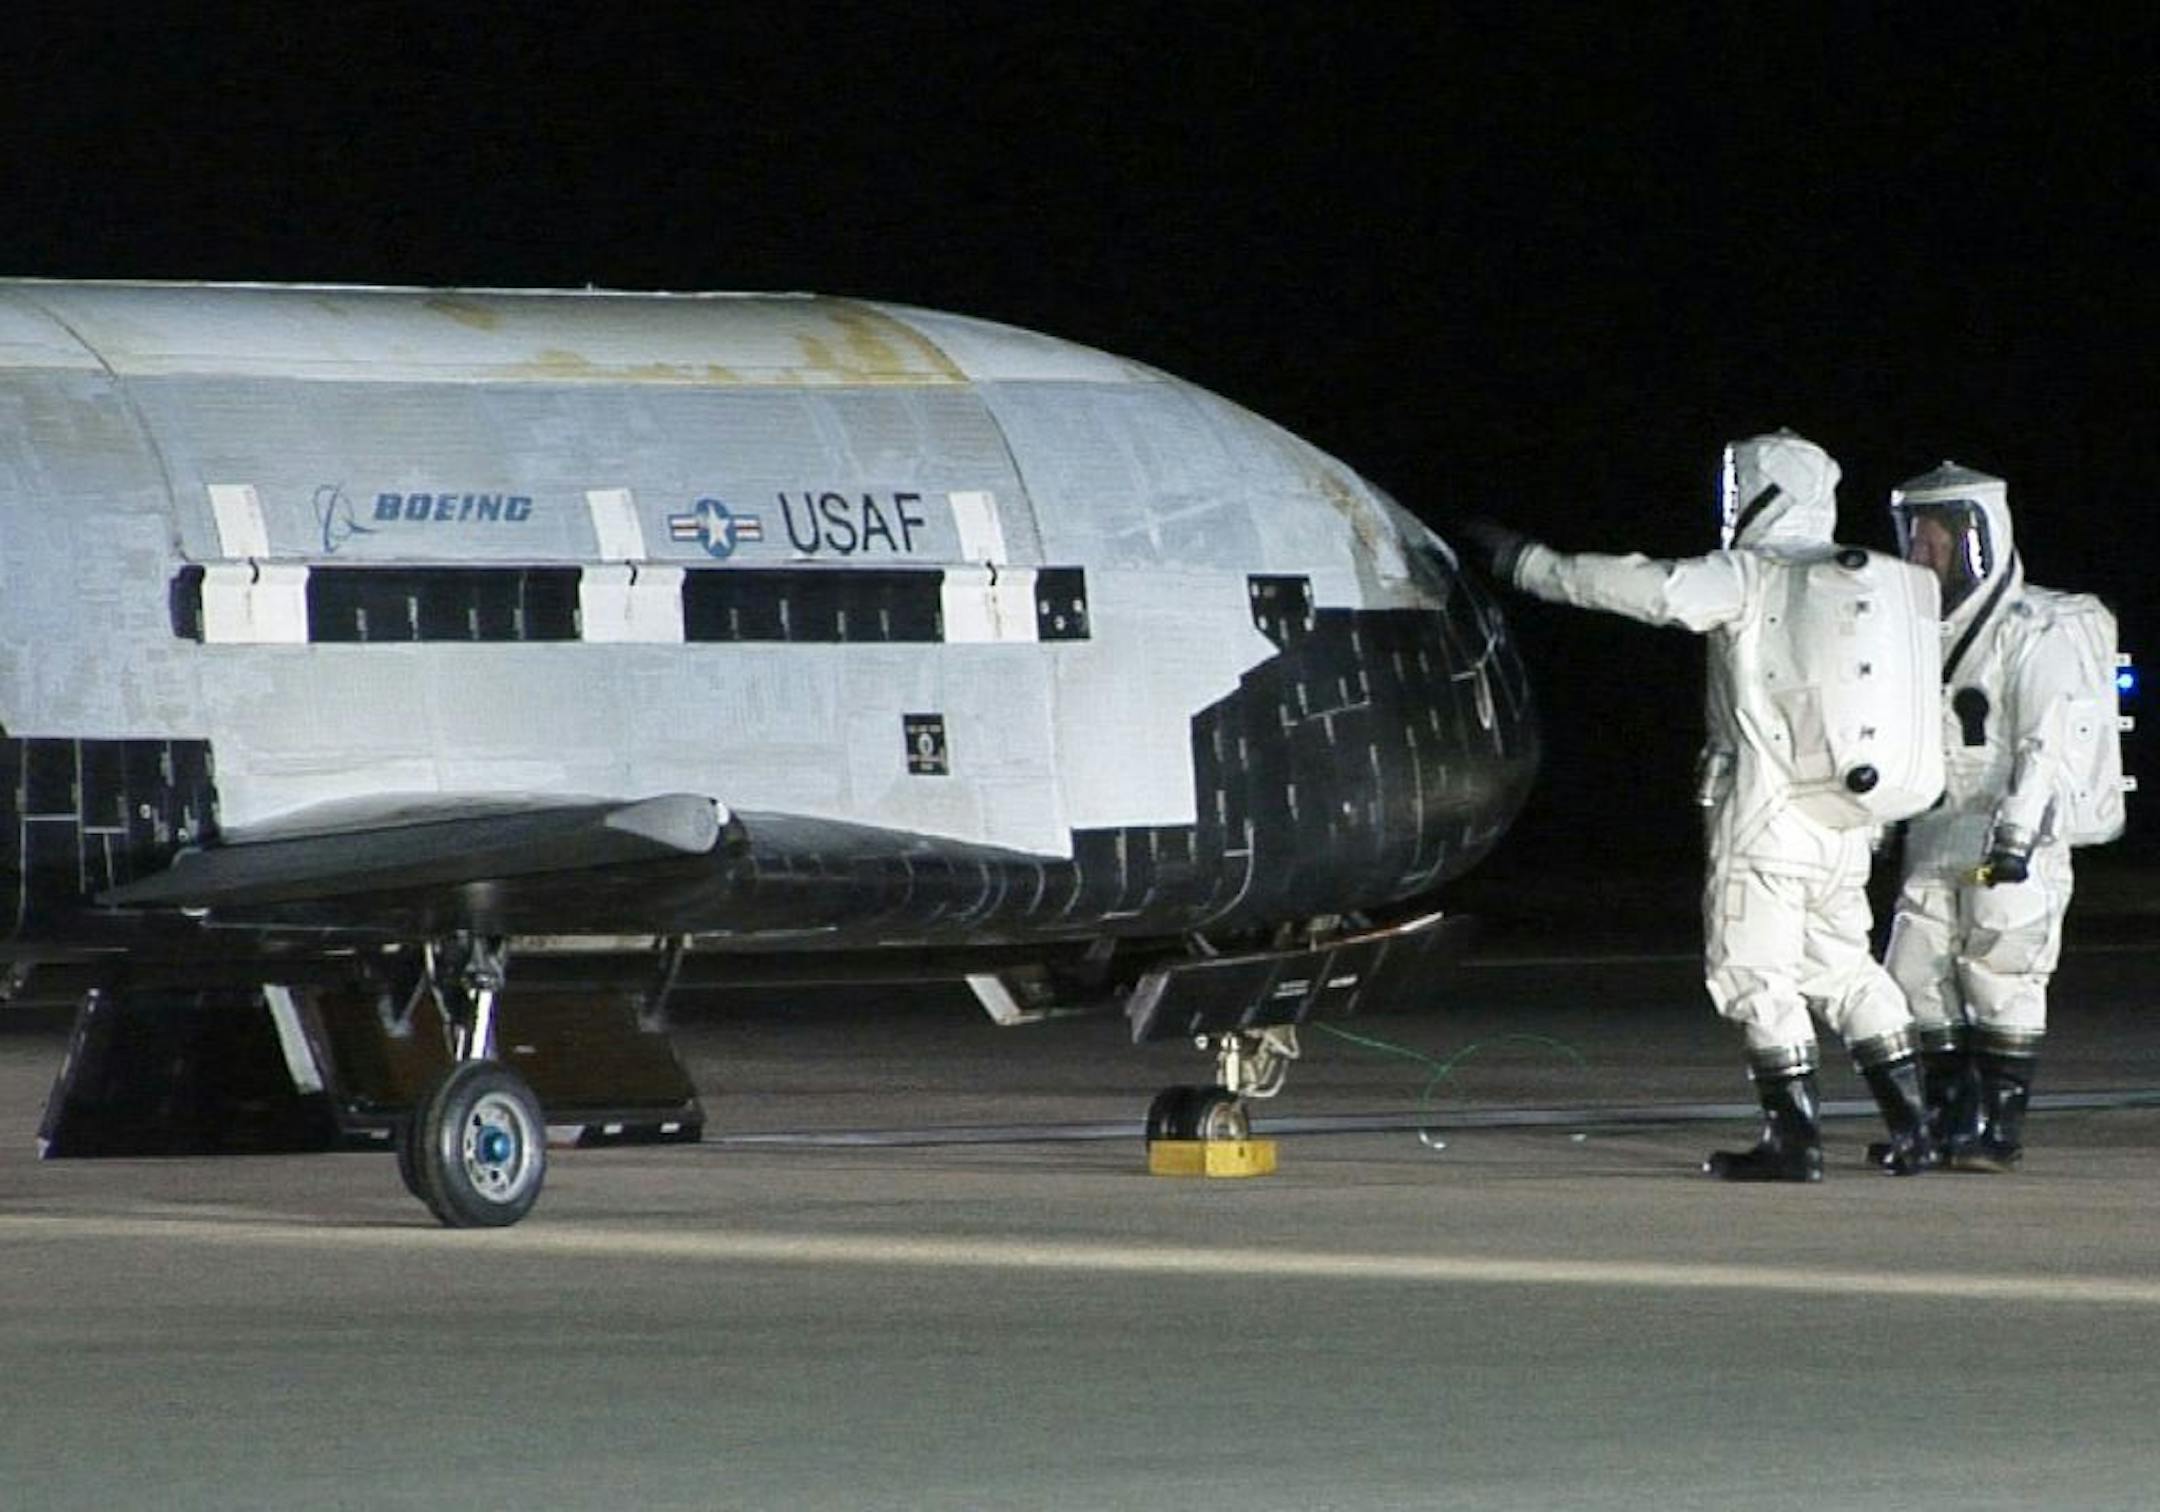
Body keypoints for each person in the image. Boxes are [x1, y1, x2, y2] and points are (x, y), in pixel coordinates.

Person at [1462, 431, 1942, 1180]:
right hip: (1844, 827)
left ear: (1757, 492)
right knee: (1845, 970)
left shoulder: (1752, 575)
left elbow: (1649, 589)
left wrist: (1530, 565)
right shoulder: (1850, 583)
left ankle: (1793, 1142)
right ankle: (1917, 1131)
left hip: (1764, 820)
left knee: (1751, 973)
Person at [1883, 463, 2091, 1171]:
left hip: (2013, 832)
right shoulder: (1915, 632)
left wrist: (2015, 835)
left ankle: (1997, 1129)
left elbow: (2044, 742)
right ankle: (1948, 1118)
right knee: (1913, 975)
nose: (1920, 554)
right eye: (1913, 536)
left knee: (2000, 973)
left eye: (1934, 539)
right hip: (1936, 827)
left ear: (1976, 538)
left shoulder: (2032, 632)